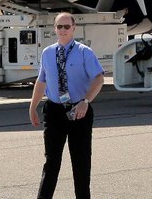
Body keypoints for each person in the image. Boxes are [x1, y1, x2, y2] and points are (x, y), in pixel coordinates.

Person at [29, 13, 106, 199]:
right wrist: (33, 107)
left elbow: (99, 79)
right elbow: (41, 82)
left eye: (66, 27)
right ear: (55, 29)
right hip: (54, 111)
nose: (63, 30)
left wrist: (85, 102)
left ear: (73, 29)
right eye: (59, 27)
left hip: (79, 111)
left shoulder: (84, 52)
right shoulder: (48, 53)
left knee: (81, 164)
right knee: (51, 163)